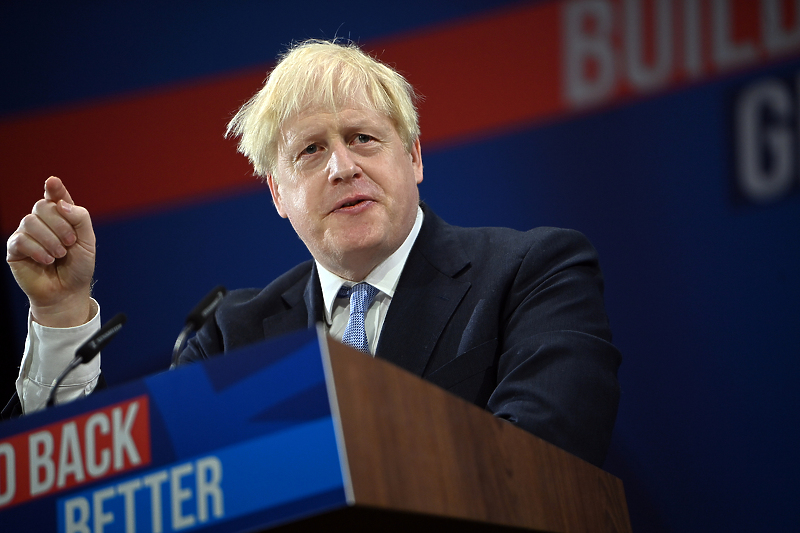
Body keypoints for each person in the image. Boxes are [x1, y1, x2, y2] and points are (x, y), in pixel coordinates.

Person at [4, 40, 621, 467]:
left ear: (414, 158)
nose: (343, 167)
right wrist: (60, 315)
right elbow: (133, 488)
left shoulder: (531, 273)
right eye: (310, 152)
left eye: (363, 138)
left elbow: (541, 456)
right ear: (277, 193)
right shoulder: (230, 334)